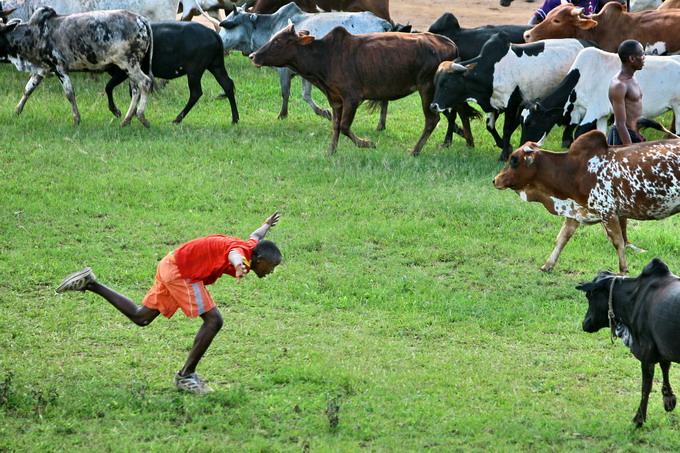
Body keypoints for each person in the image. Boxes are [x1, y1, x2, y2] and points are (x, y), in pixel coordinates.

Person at [56, 212, 282, 394]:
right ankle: (186, 376)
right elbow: (234, 254)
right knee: (214, 321)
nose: (271, 272)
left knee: (141, 317)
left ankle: (90, 283)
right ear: (259, 260)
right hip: (182, 273)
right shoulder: (242, 253)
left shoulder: (251, 247)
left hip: (171, 262)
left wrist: (267, 224)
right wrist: (238, 265)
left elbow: (256, 235)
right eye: (271, 266)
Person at [608, 39, 646, 145]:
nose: (644, 58)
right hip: (623, 137)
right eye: (642, 54)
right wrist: (629, 150)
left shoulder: (632, 79)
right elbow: (620, 124)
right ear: (632, 58)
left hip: (634, 134)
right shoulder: (619, 85)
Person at [528, 0, 602, 25]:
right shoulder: (555, 1)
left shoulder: (595, 1)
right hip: (562, 42)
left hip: (588, 41)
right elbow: (536, 18)